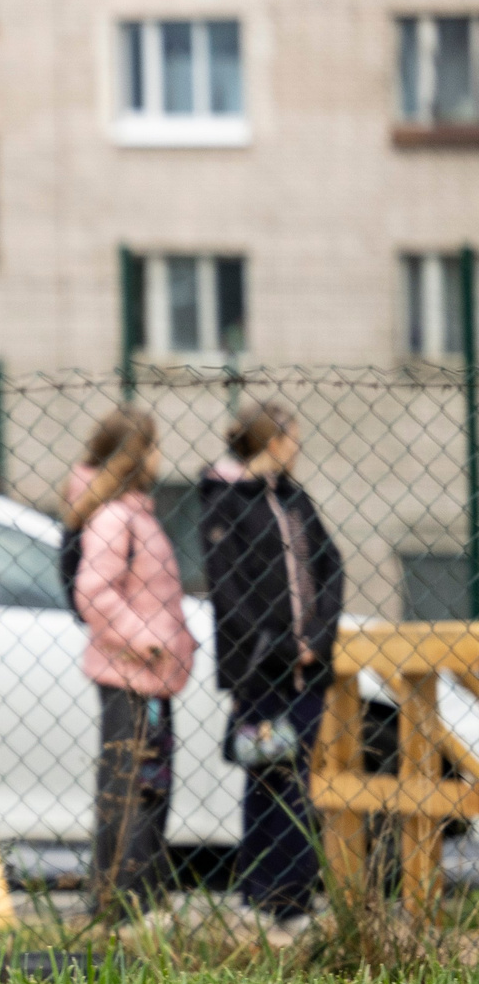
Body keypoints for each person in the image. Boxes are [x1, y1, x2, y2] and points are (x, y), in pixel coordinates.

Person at [201, 402, 344, 941]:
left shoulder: (292, 497)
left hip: (310, 670)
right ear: (273, 439)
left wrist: (318, 637)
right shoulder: (226, 503)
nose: (298, 446)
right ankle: (271, 894)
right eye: (293, 436)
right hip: (261, 670)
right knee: (271, 775)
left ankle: (286, 893)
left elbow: (331, 563)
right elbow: (228, 591)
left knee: (296, 773)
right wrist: (282, 645)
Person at [65, 407, 195, 921]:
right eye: (155, 445)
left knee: (151, 783)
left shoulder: (137, 513)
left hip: (153, 678)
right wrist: (146, 641)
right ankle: (119, 900)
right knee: (132, 785)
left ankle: (140, 893)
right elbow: (93, 592)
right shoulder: (117, 518)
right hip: (131, 676)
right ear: (136, 455)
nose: (161, 456)